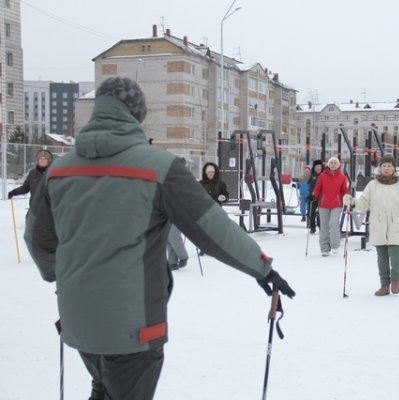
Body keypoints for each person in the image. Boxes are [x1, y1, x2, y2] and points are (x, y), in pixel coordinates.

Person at [23, 76, 295, 400]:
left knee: (104, 387)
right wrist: (262, 268)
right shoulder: (158, 168)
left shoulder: (60, 171)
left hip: (78, 317)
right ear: (137, 114)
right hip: (133, 327)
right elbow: (213, 231)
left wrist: (65, 276)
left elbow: (37, 238)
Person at [343, 155, 399, 296]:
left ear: (394, 168)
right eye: (384, 166)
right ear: (380, 168)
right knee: (381, 258)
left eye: (389, 166)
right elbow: (364, 202)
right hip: (378, 225)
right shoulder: (372, 185)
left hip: (396, 225)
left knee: (396, 255)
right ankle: (384, 284)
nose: (386, 168)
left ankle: (395, 279)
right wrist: (353, 203)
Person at [312, 157, 348, 256]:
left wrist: (347, 197)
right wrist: (314, 195)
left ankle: (335, 245)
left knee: (333, 223)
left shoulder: (342, 177)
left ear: (338, 165)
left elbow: (344, 190)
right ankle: (324, 248)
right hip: (323, 204)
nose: (333, 164)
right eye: (331, 163)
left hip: (336, 204)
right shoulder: (322, 176)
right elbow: (317, 188)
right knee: (324, 226)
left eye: (335, 163)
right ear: (328, 164)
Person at [306, 159, 323, 234]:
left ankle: (321, 226)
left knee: (321, 213)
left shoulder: (324, 175)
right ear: (314, 167)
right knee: (311, 213)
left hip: (322, 198)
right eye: (316, 166)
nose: (318, 168)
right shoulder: (311, 175)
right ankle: (312, 227)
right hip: (312, 197)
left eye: (319, 166)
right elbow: (307, 183)